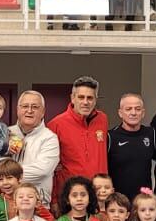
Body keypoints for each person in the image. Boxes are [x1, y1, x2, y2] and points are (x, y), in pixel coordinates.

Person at [47, 77, 110, 209]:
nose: (85, 102)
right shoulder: (56, 124)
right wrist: (53, 200)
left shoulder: (102, 119)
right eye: (81, 97)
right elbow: (50, 168)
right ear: (72, 98)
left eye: (90, 98)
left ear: (95, 100)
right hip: (70, 197)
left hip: (98, 196)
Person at [9, 90, 60, 208]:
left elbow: (42, 170)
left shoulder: (49, 138)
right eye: (25, 106)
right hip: (7, 203)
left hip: (38, 205)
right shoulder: (5, 133)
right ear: (17, 110)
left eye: (35, 107)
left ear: (43, 112)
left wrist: (3, 178)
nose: (29, 110)